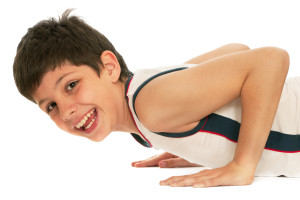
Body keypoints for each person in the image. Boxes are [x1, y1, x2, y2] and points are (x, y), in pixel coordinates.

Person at [13, 9, 298, 188]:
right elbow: (238, 49)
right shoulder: (143, 113)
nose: (65, 112)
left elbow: (270, 60)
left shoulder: (149, 105)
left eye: (71, 85)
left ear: (109, 67)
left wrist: (242, 164)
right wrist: (195, 136)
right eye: (50, 106)